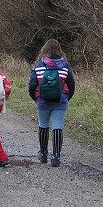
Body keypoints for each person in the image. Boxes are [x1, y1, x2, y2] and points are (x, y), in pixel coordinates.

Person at [27, 39, 76, 167]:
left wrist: (37, 99)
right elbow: (71, 85)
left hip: (42, 101)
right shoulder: (65, 66)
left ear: (44, 49)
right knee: (58, 126)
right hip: (60, 100)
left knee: (43, 125)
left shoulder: (38, 66)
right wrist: (65, 98)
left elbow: (32, 86)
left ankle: (43, 154)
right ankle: (56, 157)